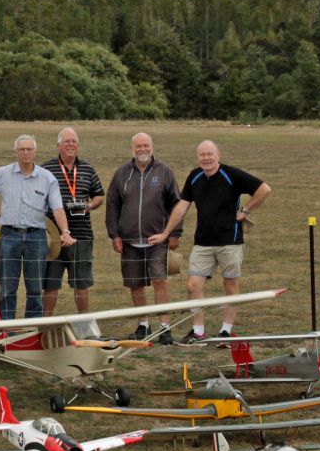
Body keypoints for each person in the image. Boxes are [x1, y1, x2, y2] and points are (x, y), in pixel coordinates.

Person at [149, 140, 272, 342]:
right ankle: (198, 332)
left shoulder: (231, 175)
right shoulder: (195, 176)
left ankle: (225, 331)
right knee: (193, 285)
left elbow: (264, 189)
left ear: (218, 155)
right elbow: (182, 206)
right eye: (202, 155)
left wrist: (246, 210)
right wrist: (165, 233)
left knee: (230, 284)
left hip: (229, 241)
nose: (206, 159)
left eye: (210, 154)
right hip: (202, 242)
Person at [0, 136, 76, 320]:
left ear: (35, 152)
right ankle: (6, 331)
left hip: (36, 237)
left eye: (29, 149)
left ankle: (31, 330)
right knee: (7, 287)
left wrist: (65, 231)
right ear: (16, 152)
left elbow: (57, 208)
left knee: (35, 288)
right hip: (9, 236)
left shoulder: (47, 178)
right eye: (22, 149)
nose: (26, 153)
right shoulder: (3, 173)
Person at [106, 132, 182, 345]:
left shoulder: (164, 172)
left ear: (152, 146)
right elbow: (112, 204)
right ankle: (143, 324)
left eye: (146, 145)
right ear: (131, 148)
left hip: (156, 240)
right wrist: (115, 234)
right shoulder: (122, 174)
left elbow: (177, 204)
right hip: (129, 242)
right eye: (138, 146)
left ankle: (165, 327)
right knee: (135, 284)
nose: (142, 149)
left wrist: (175, 233)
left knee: (160, 280)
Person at [40, 127, 106, 316]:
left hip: (82, 235)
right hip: (54, 236)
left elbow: (99, 195)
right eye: (67, 141)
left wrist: (90, 205)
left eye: (74, 141)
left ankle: (83, 321)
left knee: (82, 282)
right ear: (58, 145)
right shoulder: (46, 169)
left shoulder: (87, 168)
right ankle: (46, 323)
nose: (71, 145)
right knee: (51, 283)